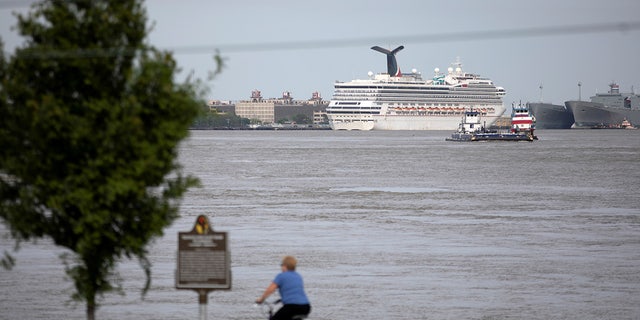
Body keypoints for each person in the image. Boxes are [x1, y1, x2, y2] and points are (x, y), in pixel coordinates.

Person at [255, 255, 311, 320]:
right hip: (306, 307)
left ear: (285, 266)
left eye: (282, 265)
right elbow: (295, 292)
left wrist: (261, 299)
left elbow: (270, 290)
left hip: (292, 307)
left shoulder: (281, 276)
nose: (281, 267)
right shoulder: (298, 276)